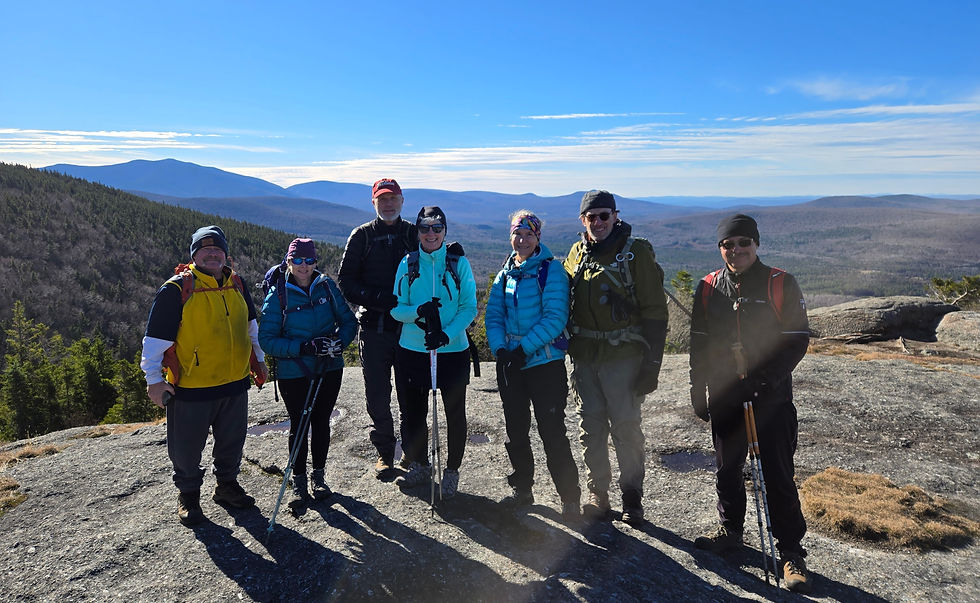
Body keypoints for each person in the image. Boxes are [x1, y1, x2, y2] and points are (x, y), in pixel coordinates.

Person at [689, 214, 811, 593]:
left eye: (744, 243)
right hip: (726, 395)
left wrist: (762, 381)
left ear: (756, 244)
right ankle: (731, 531)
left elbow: (796, 339)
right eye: (728, 244)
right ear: (720, 247)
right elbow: (699, 342)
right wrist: (699, 387)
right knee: (728, 468)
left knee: (776, 473)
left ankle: (791, 553)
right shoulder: (709, 287)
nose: (736, 250)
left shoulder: (780, 283)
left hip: (770, 398)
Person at [141, 225, 269, 526]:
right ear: (194, 255)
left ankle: (226, 487)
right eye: (205, 249)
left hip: (235, 383)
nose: (212, 254)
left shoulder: (237, 283)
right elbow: (155, 340)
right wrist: (154, 380)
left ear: (226, 255)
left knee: (232, 442)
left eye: (218, 250)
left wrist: (258, 360)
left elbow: (251, 326)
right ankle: (188, 496)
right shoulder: (177, 288)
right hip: (192, 387)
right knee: (186, 448)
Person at [562, 190, 668, 527]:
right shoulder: (577, 253)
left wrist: (652, 364)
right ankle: (599, 495)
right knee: (590, 428)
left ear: (615, 216)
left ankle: (632, 499)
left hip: (624, 357)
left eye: (604, 215)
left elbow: (655, 312)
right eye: (591, 217)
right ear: (583, 220)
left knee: (626, 429)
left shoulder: (634, 254)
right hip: (584, 358)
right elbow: (558, 292)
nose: (598, 222)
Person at [485, 210, 581, 520]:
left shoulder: (551, 271)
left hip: (545, 364)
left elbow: (555, 317)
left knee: (552, 431)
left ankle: (569, 500)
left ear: (538, 237)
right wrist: (501, 350)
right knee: (516, 431)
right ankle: (522, 490)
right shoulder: (505, 272)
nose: (522, 239)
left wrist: (523, 349)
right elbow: (494, 315)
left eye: (528, 234)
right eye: (517, 234)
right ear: (510, 236)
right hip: (511, 364)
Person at [258, 238, 357, 509]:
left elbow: (349, 322)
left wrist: (340, 342)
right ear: (289, 262)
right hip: (294, 372)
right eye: (298, 261)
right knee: (299, 423)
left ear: (316, 261)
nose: (304, 266)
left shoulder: (326, 286)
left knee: (321, 420)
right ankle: (298, 482)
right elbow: (267, 340)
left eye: (309, 260)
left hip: (328, 367)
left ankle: (319, 478)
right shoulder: (278, 294)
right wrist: (304, 347)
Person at [390, 206, 478, 499]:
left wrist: (446, 334)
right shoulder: (408, 263)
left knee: (455, 414)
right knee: (414, 414)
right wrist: (417, 311)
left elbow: (469, 307)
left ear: (445, 231)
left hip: (452, 351)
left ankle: (451, 471)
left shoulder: (457, 263)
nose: (431, 233)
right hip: (413, 350)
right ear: (417, 231)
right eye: (425, 228)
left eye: (437, 227)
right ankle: (422, 466)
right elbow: (396, 308)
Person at [338, 178, 418, 478]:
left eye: (393, 199)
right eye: (382, 199)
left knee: (412, 393)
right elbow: (346, 282)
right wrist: (380, 299)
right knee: (377, 395)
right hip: (374, 329)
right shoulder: (362, 236)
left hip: (409, 329)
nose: (388, 204)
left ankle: (412, 454)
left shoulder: (413, 233)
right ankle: (385, 453)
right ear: (374, 203)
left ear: (401, 200)